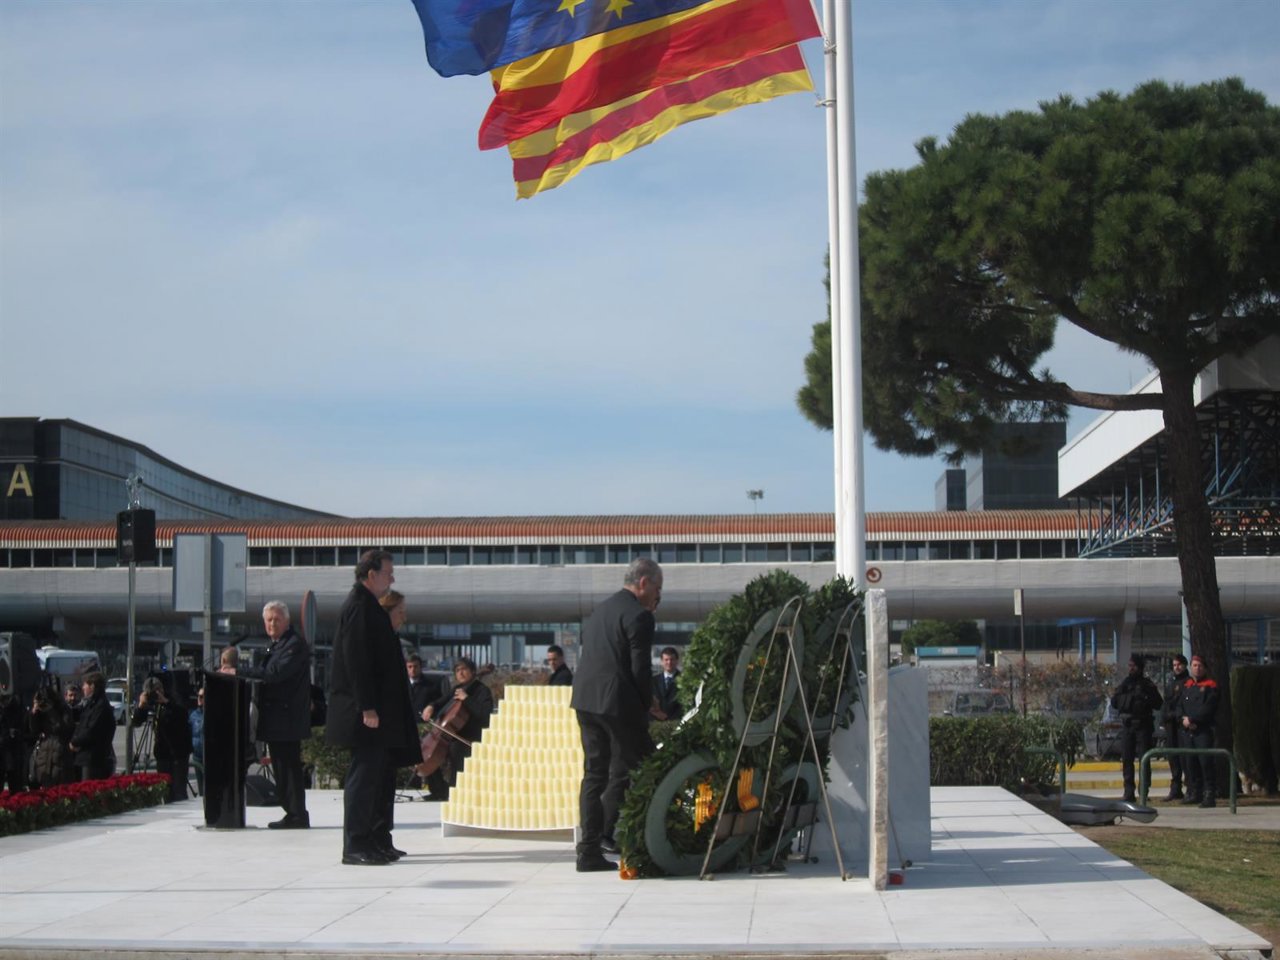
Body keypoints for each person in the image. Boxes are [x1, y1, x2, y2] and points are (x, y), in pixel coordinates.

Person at [570, 557, 663, 872]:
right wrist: (649, 704)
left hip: (586, 700)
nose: (658, 596)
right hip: (617, 703)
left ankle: (589, 850)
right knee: (647, 767)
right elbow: (639, 670)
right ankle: (646, 840)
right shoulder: (639, 616)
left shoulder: (600, 611)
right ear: (644, 583)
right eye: (657, 589)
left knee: (595, 774)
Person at [325, 549, 414, 866]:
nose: (393, 578)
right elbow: (357, 662)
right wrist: (368, 707)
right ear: (371, 574)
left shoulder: (369, 606)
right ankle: (356, 844)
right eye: (388, 572)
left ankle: (374, 840)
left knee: (377, 777)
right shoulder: (359, 607)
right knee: (363, 779)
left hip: (377, 712)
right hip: (363, 713)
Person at [223, 600, 313, 829]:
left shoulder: (293, 645)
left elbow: (274, 673)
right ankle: (292, 813)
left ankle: (297, 815)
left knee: (288, 768)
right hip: (276, 719)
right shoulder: (275, 645)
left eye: (277, 619)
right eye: (269, 620)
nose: (272, 624)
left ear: (287, 621)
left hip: (287, 719)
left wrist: (238, 671)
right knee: (281, 768)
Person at [378, 590, 425, 851]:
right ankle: (378, 836)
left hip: (394, 720)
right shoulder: (381, 638)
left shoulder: (393, 639)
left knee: (388, 784)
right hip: (384, 722)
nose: (404, 617)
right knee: (379, 783)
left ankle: (385, 837)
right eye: (400, 612)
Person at [420, 657, 493, 801]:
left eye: (464, 669)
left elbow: (485, 715)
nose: (460, 673)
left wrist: (467, 699)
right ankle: (439, 790)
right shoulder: (457, 689)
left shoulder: (482, 691)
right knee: (427, 752)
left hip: (470, 736)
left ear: (473, 671)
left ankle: (455, 790)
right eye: (457, 670)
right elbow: (441, 701)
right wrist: (431, 706)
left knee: (456, 749)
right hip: (452, 733)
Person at [1109, 654, 1162, 803]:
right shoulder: (1125, 684)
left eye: (1133, 666)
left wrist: (1145, 697)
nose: (1131, 668)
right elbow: (1114, 702)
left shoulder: (1147, 684)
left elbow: (1158, 703)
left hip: (1143, 726)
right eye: (1130, 666)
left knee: (1144, 760)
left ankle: (1144, 791)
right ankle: (1128, 792)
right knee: (1127, 760)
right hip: (1127, 726)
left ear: (1140, 667)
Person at [134, 674, 191, 803]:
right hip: (162, 753)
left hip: (178, 753)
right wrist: (141, 706)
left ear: (162, 689)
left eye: (158, 690)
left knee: (178, 792)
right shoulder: (152, 704)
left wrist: (166, 702)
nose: (155, 695)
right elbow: (136, 722)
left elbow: (183, 714)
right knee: (166, 790)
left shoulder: (173, 698)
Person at [1178, 653, 1220, 808]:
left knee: (1205, 763)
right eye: (1194, 665)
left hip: (1203, 730)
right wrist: (1183, 719)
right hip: (1188, 730)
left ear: (1205, 668)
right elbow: (1180, 706)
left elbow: (1208, 708)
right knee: (1190, 763)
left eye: (1200, 666)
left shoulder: (1211, 686)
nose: (1197, 668)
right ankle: (1194, 792)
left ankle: (1209, 794)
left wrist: (1193, 720)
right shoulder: (1187, 686)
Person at [69, 671, 116, 780]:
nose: (83, 688)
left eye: (85, 685)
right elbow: (81, 724)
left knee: (89, 787)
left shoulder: (101, 706)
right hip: (84, 757)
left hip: (93, 759)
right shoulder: (91, 704)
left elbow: (91, 731)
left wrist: (75, 742)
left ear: (92, 686)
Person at [28, 686, 74, 788]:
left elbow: (65, 729)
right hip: (45, 755)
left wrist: (51, 711)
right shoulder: (41, 712)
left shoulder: (64, 709)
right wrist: (34, 713)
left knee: (61, 788)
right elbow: (34, 730)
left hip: (60, 753)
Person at [1161, 654, 1190, 800]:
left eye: (1179, 665)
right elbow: (1166, 703)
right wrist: (1164, 718)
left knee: (1185, 758)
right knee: (1173, 757)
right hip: (1170, 725)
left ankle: (1190, 787)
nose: (1176, 668)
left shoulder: (1188, 682)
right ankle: (1175, 788)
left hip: (1182, 725)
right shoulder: (1171, 683)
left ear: (1185, 665)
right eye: (1174, 665)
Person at [650, 646, 683, 722]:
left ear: (677, 661)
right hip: (656, 723)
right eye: (666, 660)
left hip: (678, 722)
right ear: (661, 661)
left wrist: (670, 719)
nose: (669, 662)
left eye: (672, 659)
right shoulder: (653, 681)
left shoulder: (684, 680)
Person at [406, 653, 441, 718]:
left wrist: (432, 706)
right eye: (410, 667)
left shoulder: (431, 685)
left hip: (424, 721)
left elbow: (438, 702)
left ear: (420, 667)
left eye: (415, 666)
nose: (412, 670)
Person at [189, 687, 205, 796]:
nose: (199, 698)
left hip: (208, 756)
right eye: (198, 696)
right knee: (201, 788)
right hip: (197, 756)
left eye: (202, 696)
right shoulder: (193, 715)